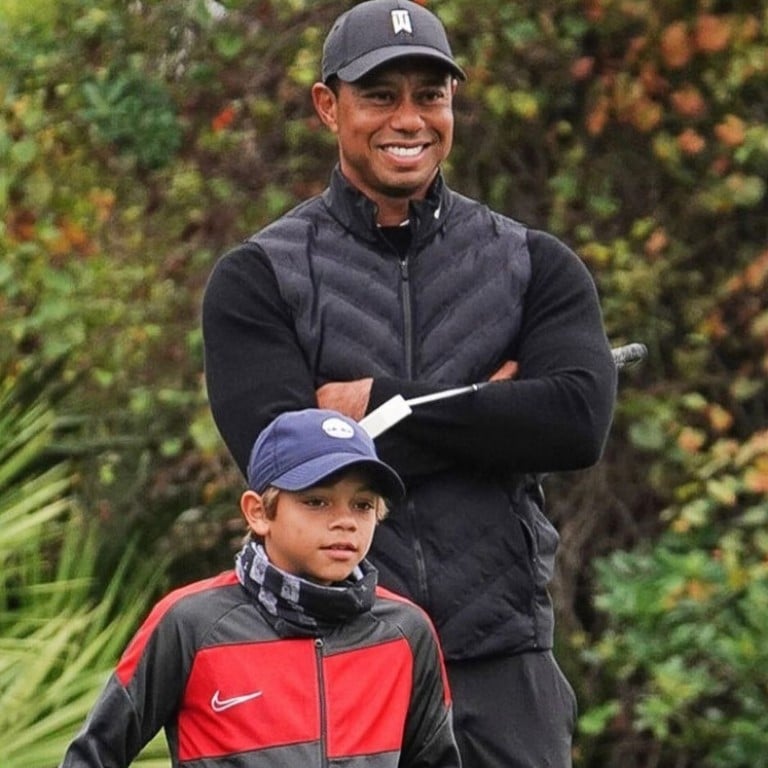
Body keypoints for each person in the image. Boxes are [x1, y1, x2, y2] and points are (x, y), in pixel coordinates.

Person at [201, 1, 618, 766]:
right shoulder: (257, 279)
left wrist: (375, 408)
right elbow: (288, 463)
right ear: (328, 106)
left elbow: (576, 422)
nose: (409, 119)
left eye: (430, 94)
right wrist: (488, 406)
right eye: (379, 95)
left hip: (504, 665)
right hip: (337, 658)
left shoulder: (534, 264)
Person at [59, 408, 461, 768]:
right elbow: (94, 755)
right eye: (317, 501)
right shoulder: (191, 623)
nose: (346, 522)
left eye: (362, 505)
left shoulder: (406, 633)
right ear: (258, 512)